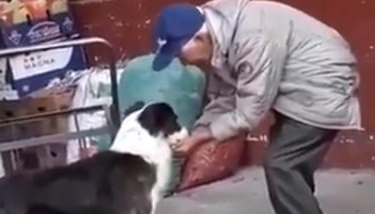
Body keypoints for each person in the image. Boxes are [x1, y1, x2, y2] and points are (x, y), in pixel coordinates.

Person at [151, 0, 362, 213]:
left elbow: (249, 112)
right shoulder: (217, 35)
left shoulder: (251, 39)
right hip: (293, 85)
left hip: (323, 83)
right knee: (290, 170)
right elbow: (225, 98)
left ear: (199, 38)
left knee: (282, 164)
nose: (183, 63)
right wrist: (196, 136)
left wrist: (200, 138)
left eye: (180, 55)